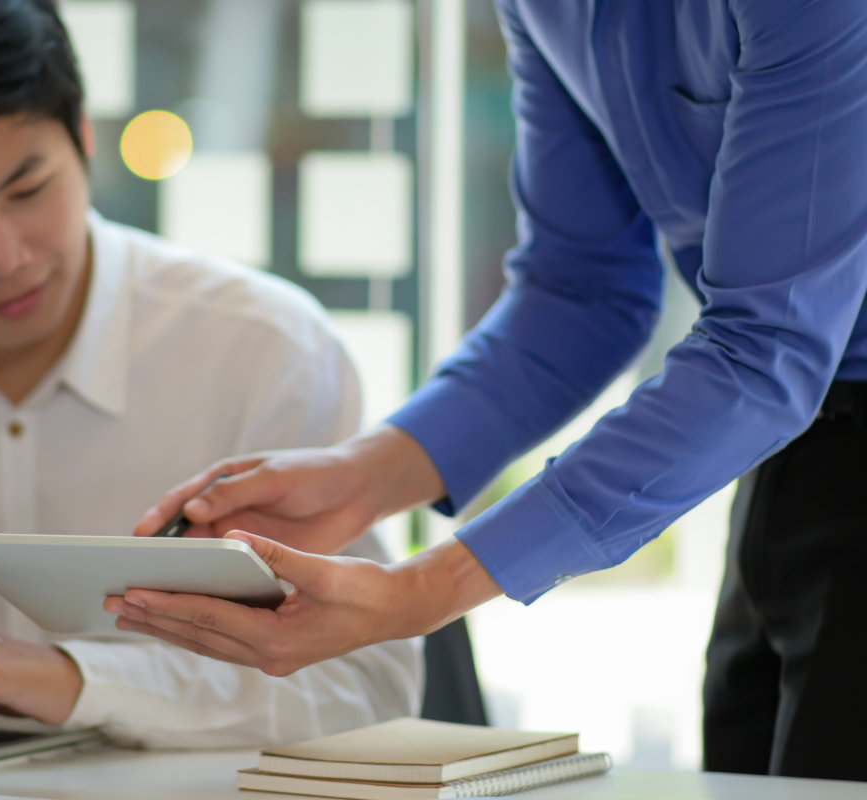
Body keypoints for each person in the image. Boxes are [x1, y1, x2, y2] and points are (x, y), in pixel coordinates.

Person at [109, 1, 867, 781]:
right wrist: (361, 477)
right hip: (794, 451)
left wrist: (422, 589)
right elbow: (582, 291)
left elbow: (766, 346)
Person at [0, 0, 421, 749]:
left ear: (84, 138)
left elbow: (365, 688)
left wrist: (81, 681)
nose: (1, 257)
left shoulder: (261, 350)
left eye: (28, 190)